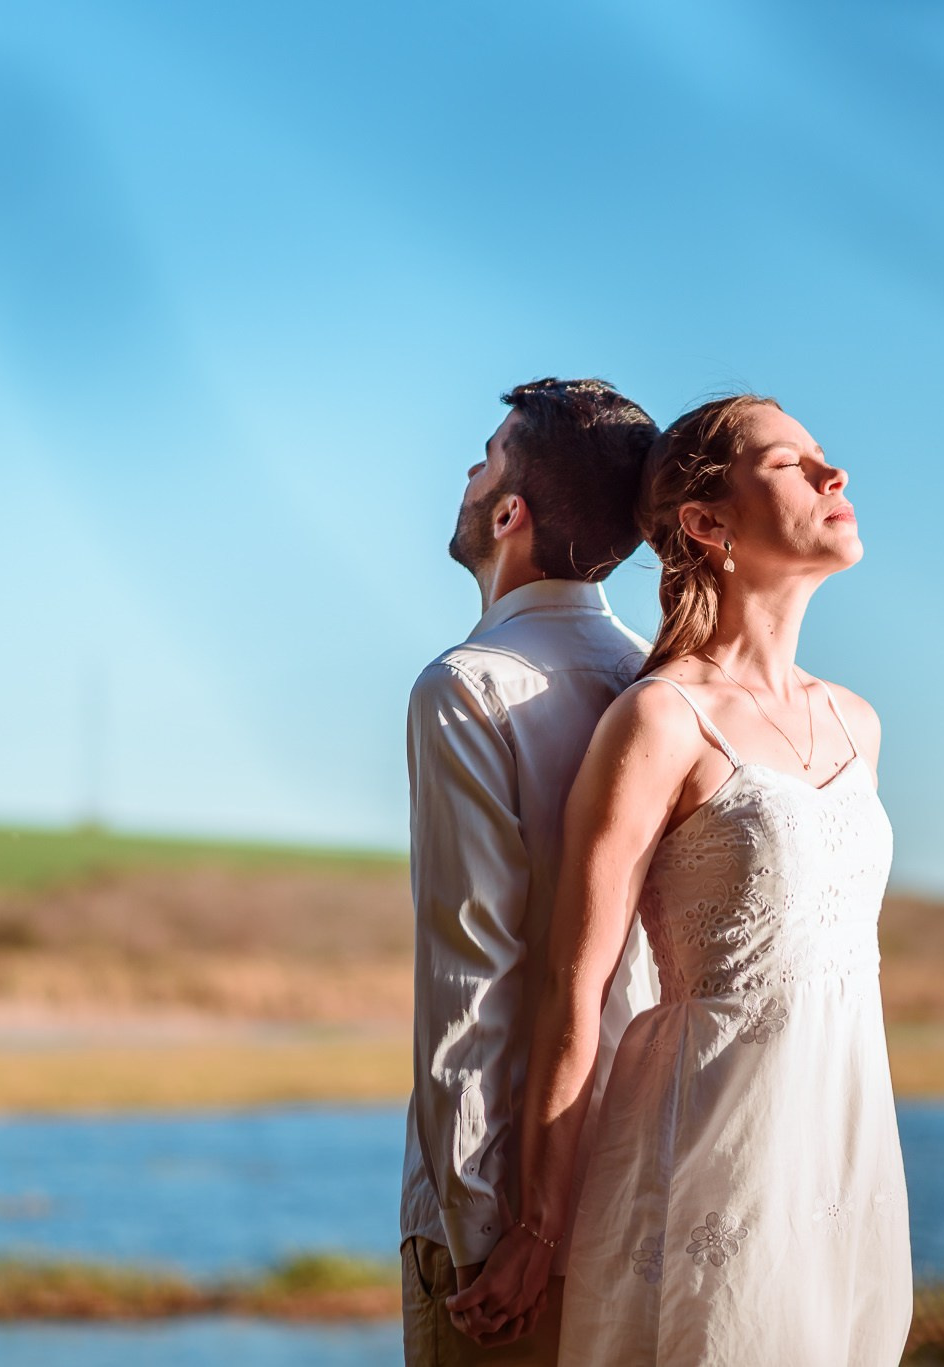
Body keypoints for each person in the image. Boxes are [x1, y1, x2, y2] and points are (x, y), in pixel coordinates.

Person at [449, 395, 912, 1365]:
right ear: (704, 522)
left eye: (823, 456)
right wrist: (536, 1225)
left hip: (844, 1158)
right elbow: (573, 987)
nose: (832, 475)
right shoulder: (659, 718)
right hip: (708, 1161)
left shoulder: (857, 722)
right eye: (788, 463)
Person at [401, 377, 662, 1366]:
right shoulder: (662, 682)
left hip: (508, 1226)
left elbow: (472, 973)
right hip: (643, 1198)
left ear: (509, 512)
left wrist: (479, 1230)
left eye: (484, 459)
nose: (467, 475)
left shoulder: (467, 689)